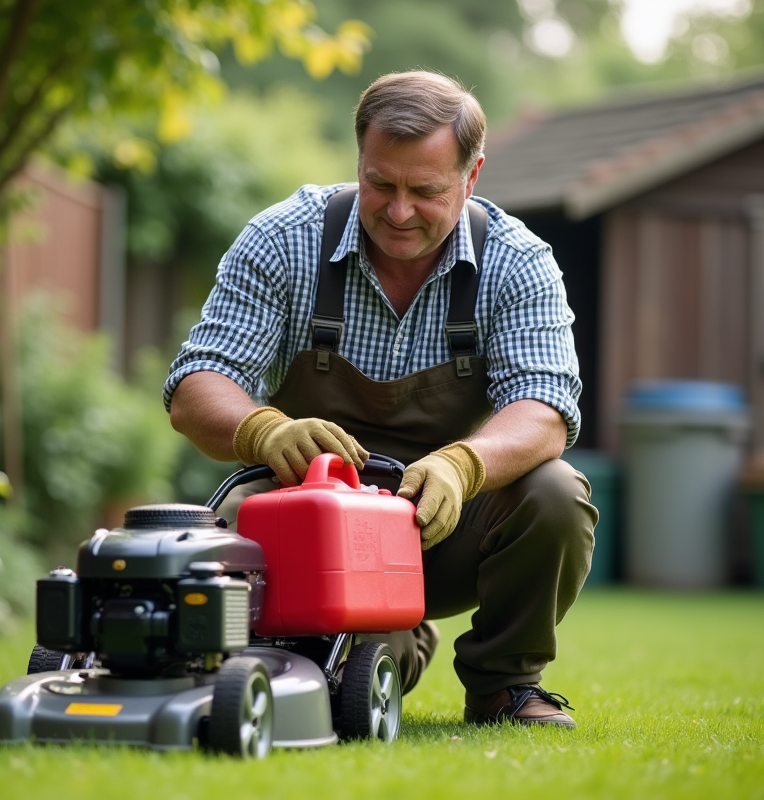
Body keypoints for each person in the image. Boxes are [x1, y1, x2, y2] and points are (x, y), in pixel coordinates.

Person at [163, 70, 597, 729]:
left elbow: (545, 408)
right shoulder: (285, 240)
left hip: (439, 525)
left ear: (472, 175)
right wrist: (262, 430)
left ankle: (502, 684)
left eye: (425, 191)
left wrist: (464, 466)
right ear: (359, 160)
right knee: (321, 682)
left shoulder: (517, 262)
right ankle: (381, 642)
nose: (398, 211)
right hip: (301, 525)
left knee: (556, 496)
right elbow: (196, 386)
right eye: (380, 184)